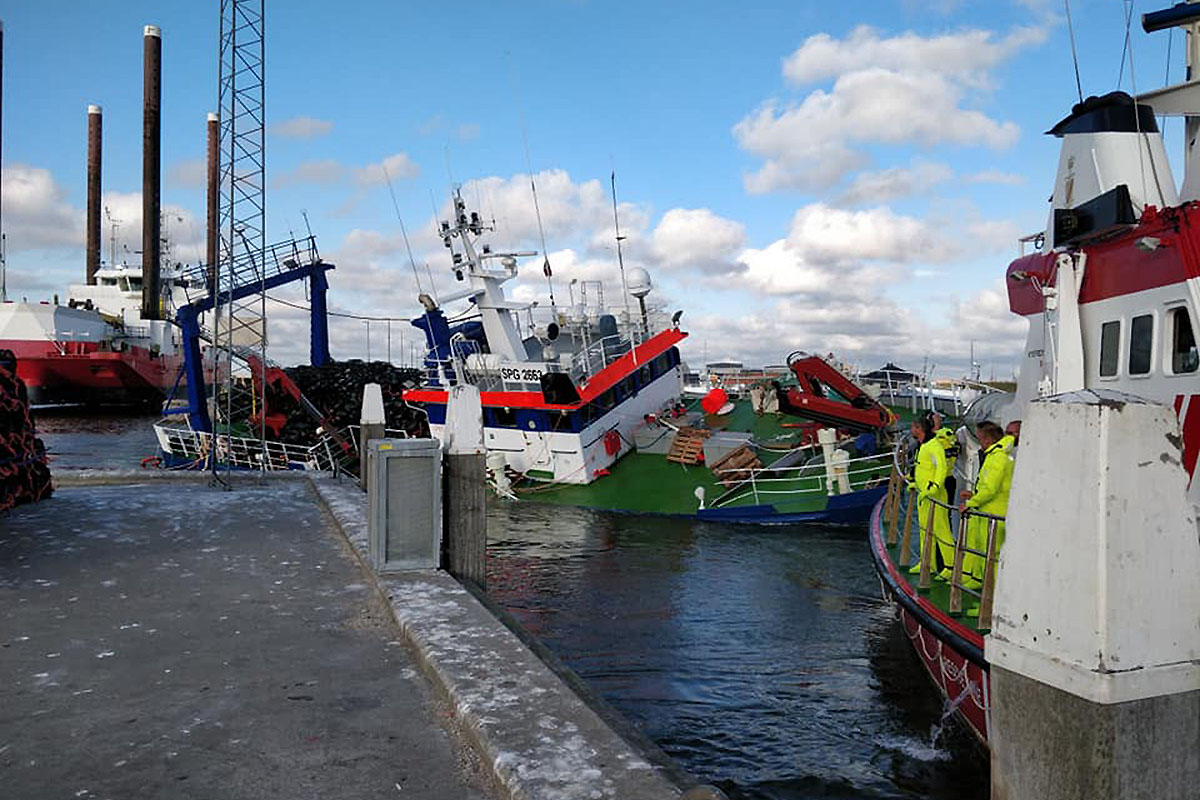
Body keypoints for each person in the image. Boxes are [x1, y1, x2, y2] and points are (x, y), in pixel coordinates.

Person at [959, 420, 1014, 614]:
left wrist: (971, 503)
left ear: (988, 440)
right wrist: (974, 496)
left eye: (980, 438)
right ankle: (989, 601)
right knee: (990, 559)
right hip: (990, 513)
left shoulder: (997, 458)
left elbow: (991, 489)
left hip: (993, 515)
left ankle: (992, 606)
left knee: (992, 560)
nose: (979, 442)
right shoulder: (996, 456)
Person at [908, 416, 955, 578]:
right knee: (925, 530)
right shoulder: (923, 445)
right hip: (924, 496)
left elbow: (941, 468)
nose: (911, 430)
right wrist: (916, 484)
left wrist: (935, 486)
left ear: (918, 429)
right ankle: (927, 563)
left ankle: (950, 566)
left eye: (912, 427)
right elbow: (924, 469)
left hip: (935, 495)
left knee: (941, 530)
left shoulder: (934, 446)